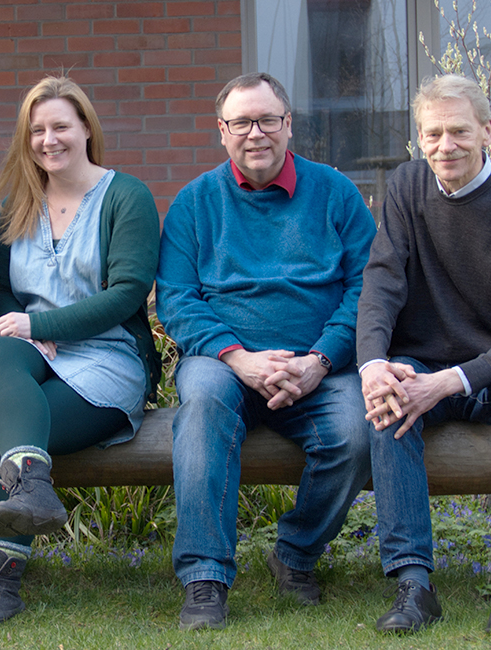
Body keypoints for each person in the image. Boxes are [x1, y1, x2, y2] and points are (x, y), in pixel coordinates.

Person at [156, 72, 376, 630]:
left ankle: (295, 555)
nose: (256, 133)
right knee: (202, 407)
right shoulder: (195, 202)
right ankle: (205, 579)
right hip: (224, 366)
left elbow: (366, 291)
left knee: (355, 431)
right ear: (221, 131)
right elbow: (178, 301)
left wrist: (321, 359)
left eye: (268, 120)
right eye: (241, 122)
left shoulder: (335, 193)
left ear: (288, 125)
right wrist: (238, 358)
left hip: (318, 368)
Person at [0, 76, 161, 628]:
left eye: (61, 126)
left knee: (18, 438)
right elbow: (3, 290)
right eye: (36, 129)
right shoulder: (16, 202)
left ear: (86, 127)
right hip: (31, 352)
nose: (49, 139)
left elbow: (127, 293)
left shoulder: (125, 196)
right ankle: (32, 493)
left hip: (108, 361)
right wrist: (27, 326)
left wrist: (41, 321)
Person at [358, 73, 491, 635]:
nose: (446, 146)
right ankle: (413, 584)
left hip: (489, 375)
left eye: (460, 131)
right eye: (433, 133)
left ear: (487, 131)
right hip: (419, 367)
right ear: (419, 138)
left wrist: (448, 382)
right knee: (388, 396)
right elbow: (381, 284)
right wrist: (373, 363)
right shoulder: (406, 188)